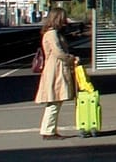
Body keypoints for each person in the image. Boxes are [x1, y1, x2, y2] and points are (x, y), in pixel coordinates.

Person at [34, 8, 79, 138]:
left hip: (55, 68)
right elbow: (58, 52)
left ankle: (49, 130)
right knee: (54, 101)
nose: (66, 20)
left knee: (55, 101)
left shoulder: (52, 33)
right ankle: (48, 131)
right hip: (55, 69)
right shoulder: (52, 34)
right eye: (64, 17)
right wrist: (71, 58)